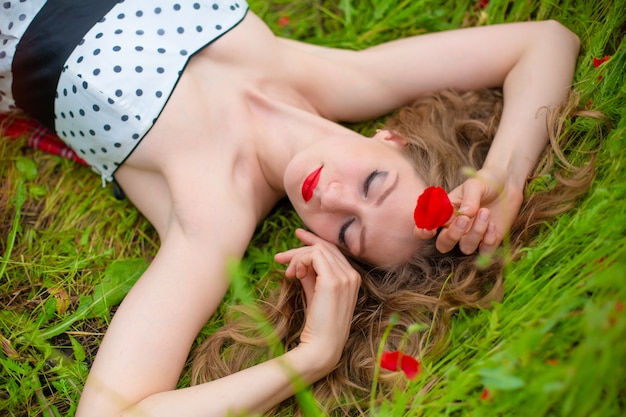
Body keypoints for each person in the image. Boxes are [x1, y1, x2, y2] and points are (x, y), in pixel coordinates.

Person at [1, 1, 584, 416]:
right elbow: (547, 40)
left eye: (348, 229)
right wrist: (503, 179)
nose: (329, 195)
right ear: (390, 141)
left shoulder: (212, 219)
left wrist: (313, 357)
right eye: (374, 182)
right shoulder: (340, 77)